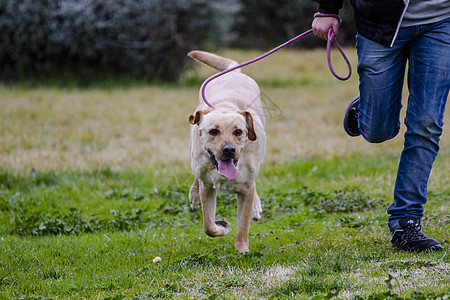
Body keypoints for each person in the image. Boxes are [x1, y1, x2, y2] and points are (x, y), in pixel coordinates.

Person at [312, 0, 449, 253]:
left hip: (442, 20)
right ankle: (369, 107)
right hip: (380, 20)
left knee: (426, 124)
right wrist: (328, 8)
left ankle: (405, 221)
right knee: (377, 130)